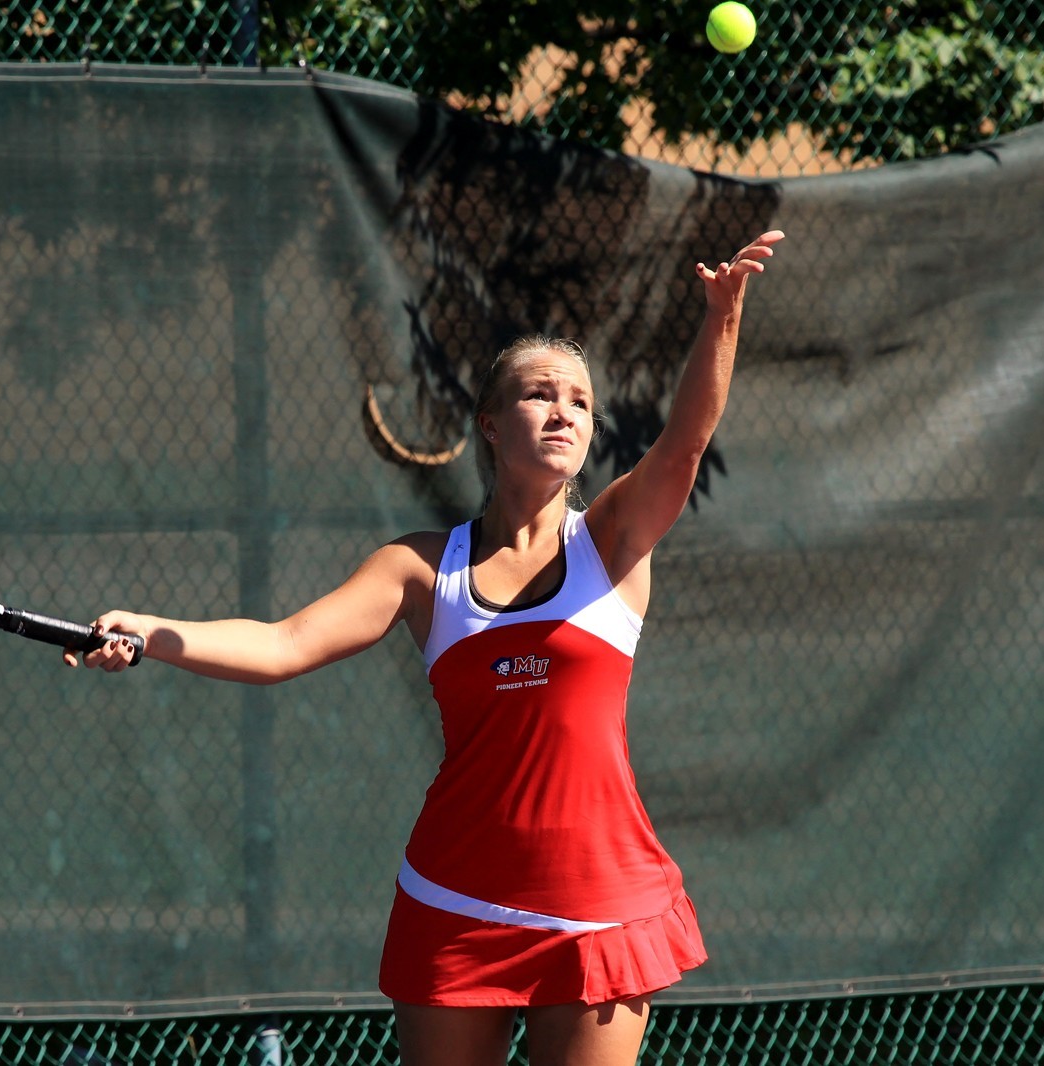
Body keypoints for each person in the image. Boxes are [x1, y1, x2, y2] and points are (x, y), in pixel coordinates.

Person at [67, 230, 785, 1066]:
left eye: (581, 402)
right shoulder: (417, 568)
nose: (564, 411)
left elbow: (685, 444)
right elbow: (282, 642)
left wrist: (722, 318)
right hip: (457, 900)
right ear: (489, 424)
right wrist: (150, 632)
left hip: (602, 904)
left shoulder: (615, 540)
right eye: (539, 395)